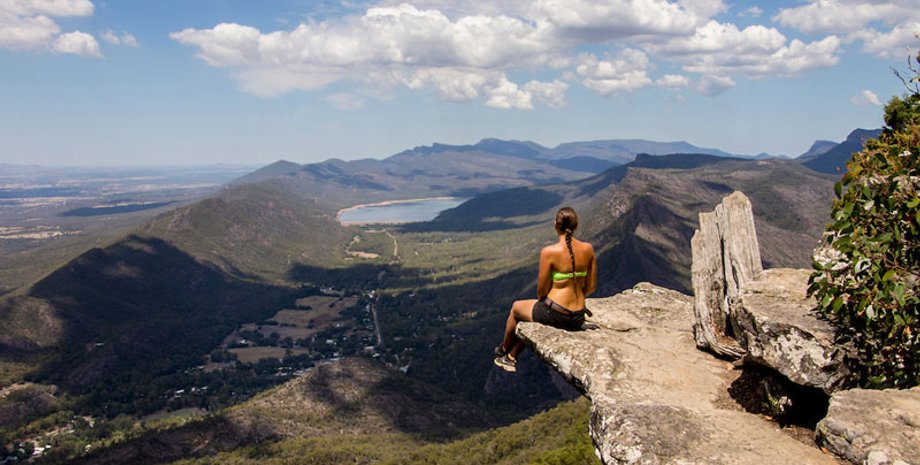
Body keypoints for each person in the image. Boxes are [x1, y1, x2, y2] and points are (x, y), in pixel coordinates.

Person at [494, 206, 597, 373]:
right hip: (578, 316)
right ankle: (511, 356)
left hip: (557, 313)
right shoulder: (588, 249)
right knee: (534, 315)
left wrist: (551, 300)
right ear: (576, 225)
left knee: (516, 308)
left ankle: (503, 349)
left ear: (555, 225)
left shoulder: (549, 252)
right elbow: (591, 287)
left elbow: (541, 291)